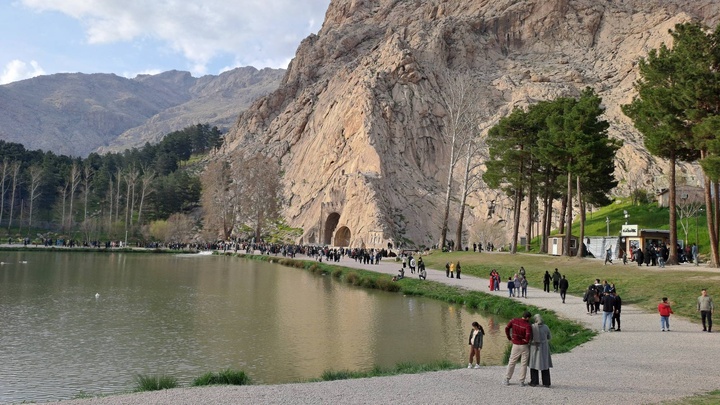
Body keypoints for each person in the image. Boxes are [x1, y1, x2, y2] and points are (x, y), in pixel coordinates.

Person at [504, 311, 533, 386]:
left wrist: (509, 338)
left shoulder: (514, 320)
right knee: (524, 363)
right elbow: (527, 337)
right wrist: (525, 341)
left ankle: (507, 379)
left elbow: (507, 328)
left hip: (515, 344)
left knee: (512, 362)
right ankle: (521, 381)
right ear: (528, 318)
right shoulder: (527, 325)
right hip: (524, 346)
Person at [528, 314, 552, 388]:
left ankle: (534, 382)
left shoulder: (532, 327)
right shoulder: (546, 327)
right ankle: (546, 383)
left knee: (533, 364)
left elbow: (529, 337)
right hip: (544, 347)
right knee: (545, 365)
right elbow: (549, 337)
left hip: (534, 347)